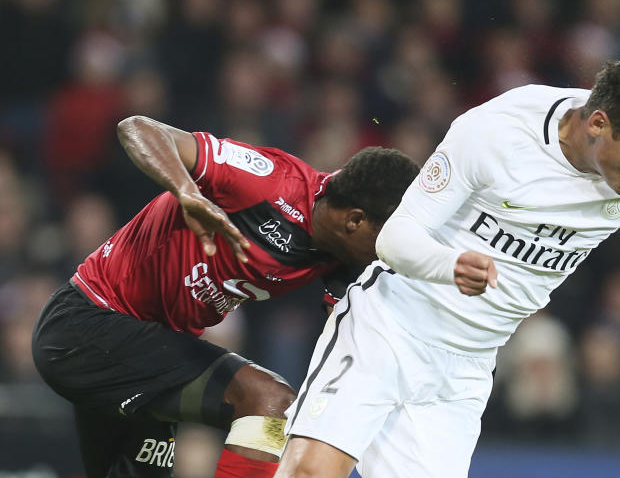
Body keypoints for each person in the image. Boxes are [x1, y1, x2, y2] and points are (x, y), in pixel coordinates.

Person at [276, 57, 620, 478]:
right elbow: (396, 237)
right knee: (310, 471)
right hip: (392, 326)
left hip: (467, 366)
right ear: (597, 124)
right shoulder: (496, 132)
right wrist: (449, 265)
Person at [31, 116, 419, 478]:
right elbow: (137, 127)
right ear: (354, 220)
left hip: (149, 352)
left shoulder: (345, 259)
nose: (390, 251)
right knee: (269, 402)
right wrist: (186, 191)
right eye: (387, 238)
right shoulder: (267, 182)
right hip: (88, 324)